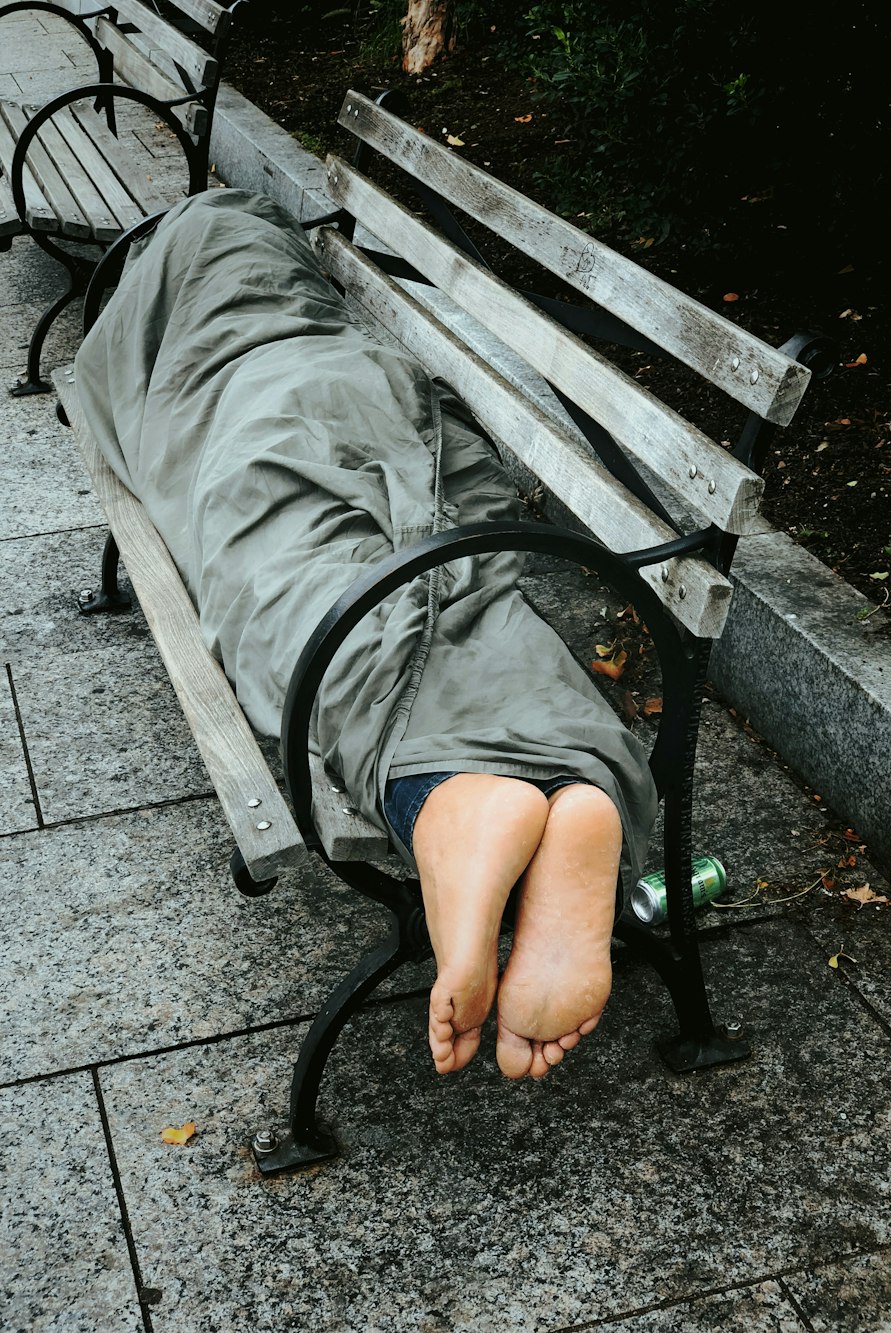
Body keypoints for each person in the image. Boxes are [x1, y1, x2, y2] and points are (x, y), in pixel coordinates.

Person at [75, 190, 657, 1080]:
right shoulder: (261, 243)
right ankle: (539, 784)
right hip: (351, 377)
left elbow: (122, 377)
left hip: (245, 398)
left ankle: (443, 802)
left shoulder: (175, 272)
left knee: (285, 570)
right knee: (450, 580)